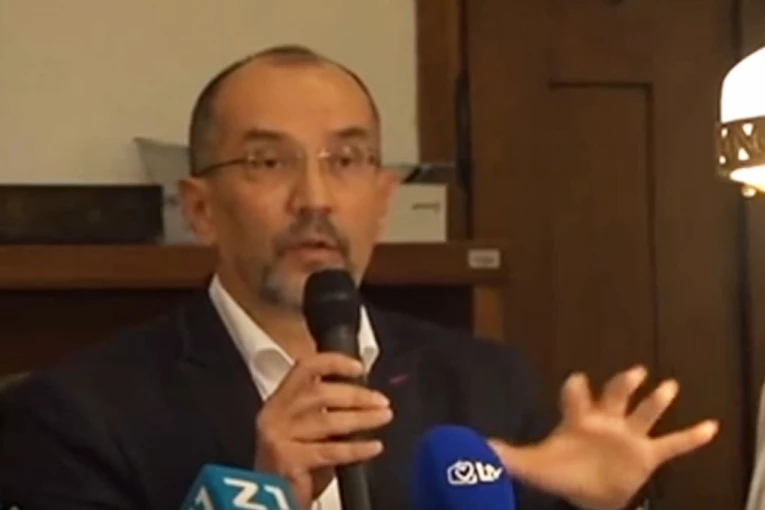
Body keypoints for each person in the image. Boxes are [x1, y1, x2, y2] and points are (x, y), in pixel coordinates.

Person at [0, 45, 718, 510]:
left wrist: (610, 503)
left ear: (381, 198)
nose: (314, 198)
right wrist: (260, 496)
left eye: (345, 161)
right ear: (200, 209)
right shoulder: (77, 413)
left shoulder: (484, 385)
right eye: (267, 162)